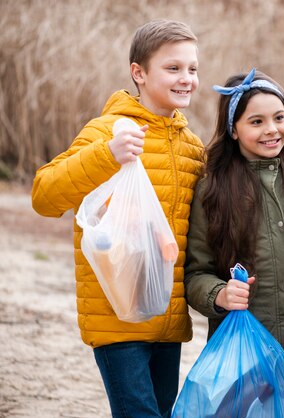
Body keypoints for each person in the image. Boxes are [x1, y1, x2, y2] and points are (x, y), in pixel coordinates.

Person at [31, 20, 204, 418]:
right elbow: (44, 196)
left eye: (192, 69)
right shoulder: (107, 130)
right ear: (138, 73)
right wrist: (106, 155)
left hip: (166, 318)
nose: (187, 79)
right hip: (116, 317)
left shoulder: (192, 147)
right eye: (173, 68)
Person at [184, 68, 284, 371]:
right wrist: (220, 294)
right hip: (249, 356)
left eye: (279, 118)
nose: (272, 129)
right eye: (256, 122)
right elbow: (196, 273)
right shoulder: (213, 190)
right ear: (233, 130)